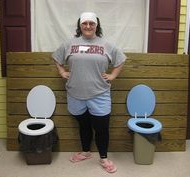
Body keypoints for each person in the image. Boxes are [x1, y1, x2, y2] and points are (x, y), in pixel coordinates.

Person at [52, 12, 126, 173]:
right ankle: (86, 152)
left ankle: (104, 158)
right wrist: (62, 72)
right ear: (80, 25)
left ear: (96, 25)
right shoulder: (69, 44)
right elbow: (57, 58)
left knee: (101, 128)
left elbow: (120, 59)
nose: (88, 26)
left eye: (91, 23)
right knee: (84, 125)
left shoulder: (106, 44)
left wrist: (113, 75)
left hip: (99, 94)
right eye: (84, 23)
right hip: (75, 94)